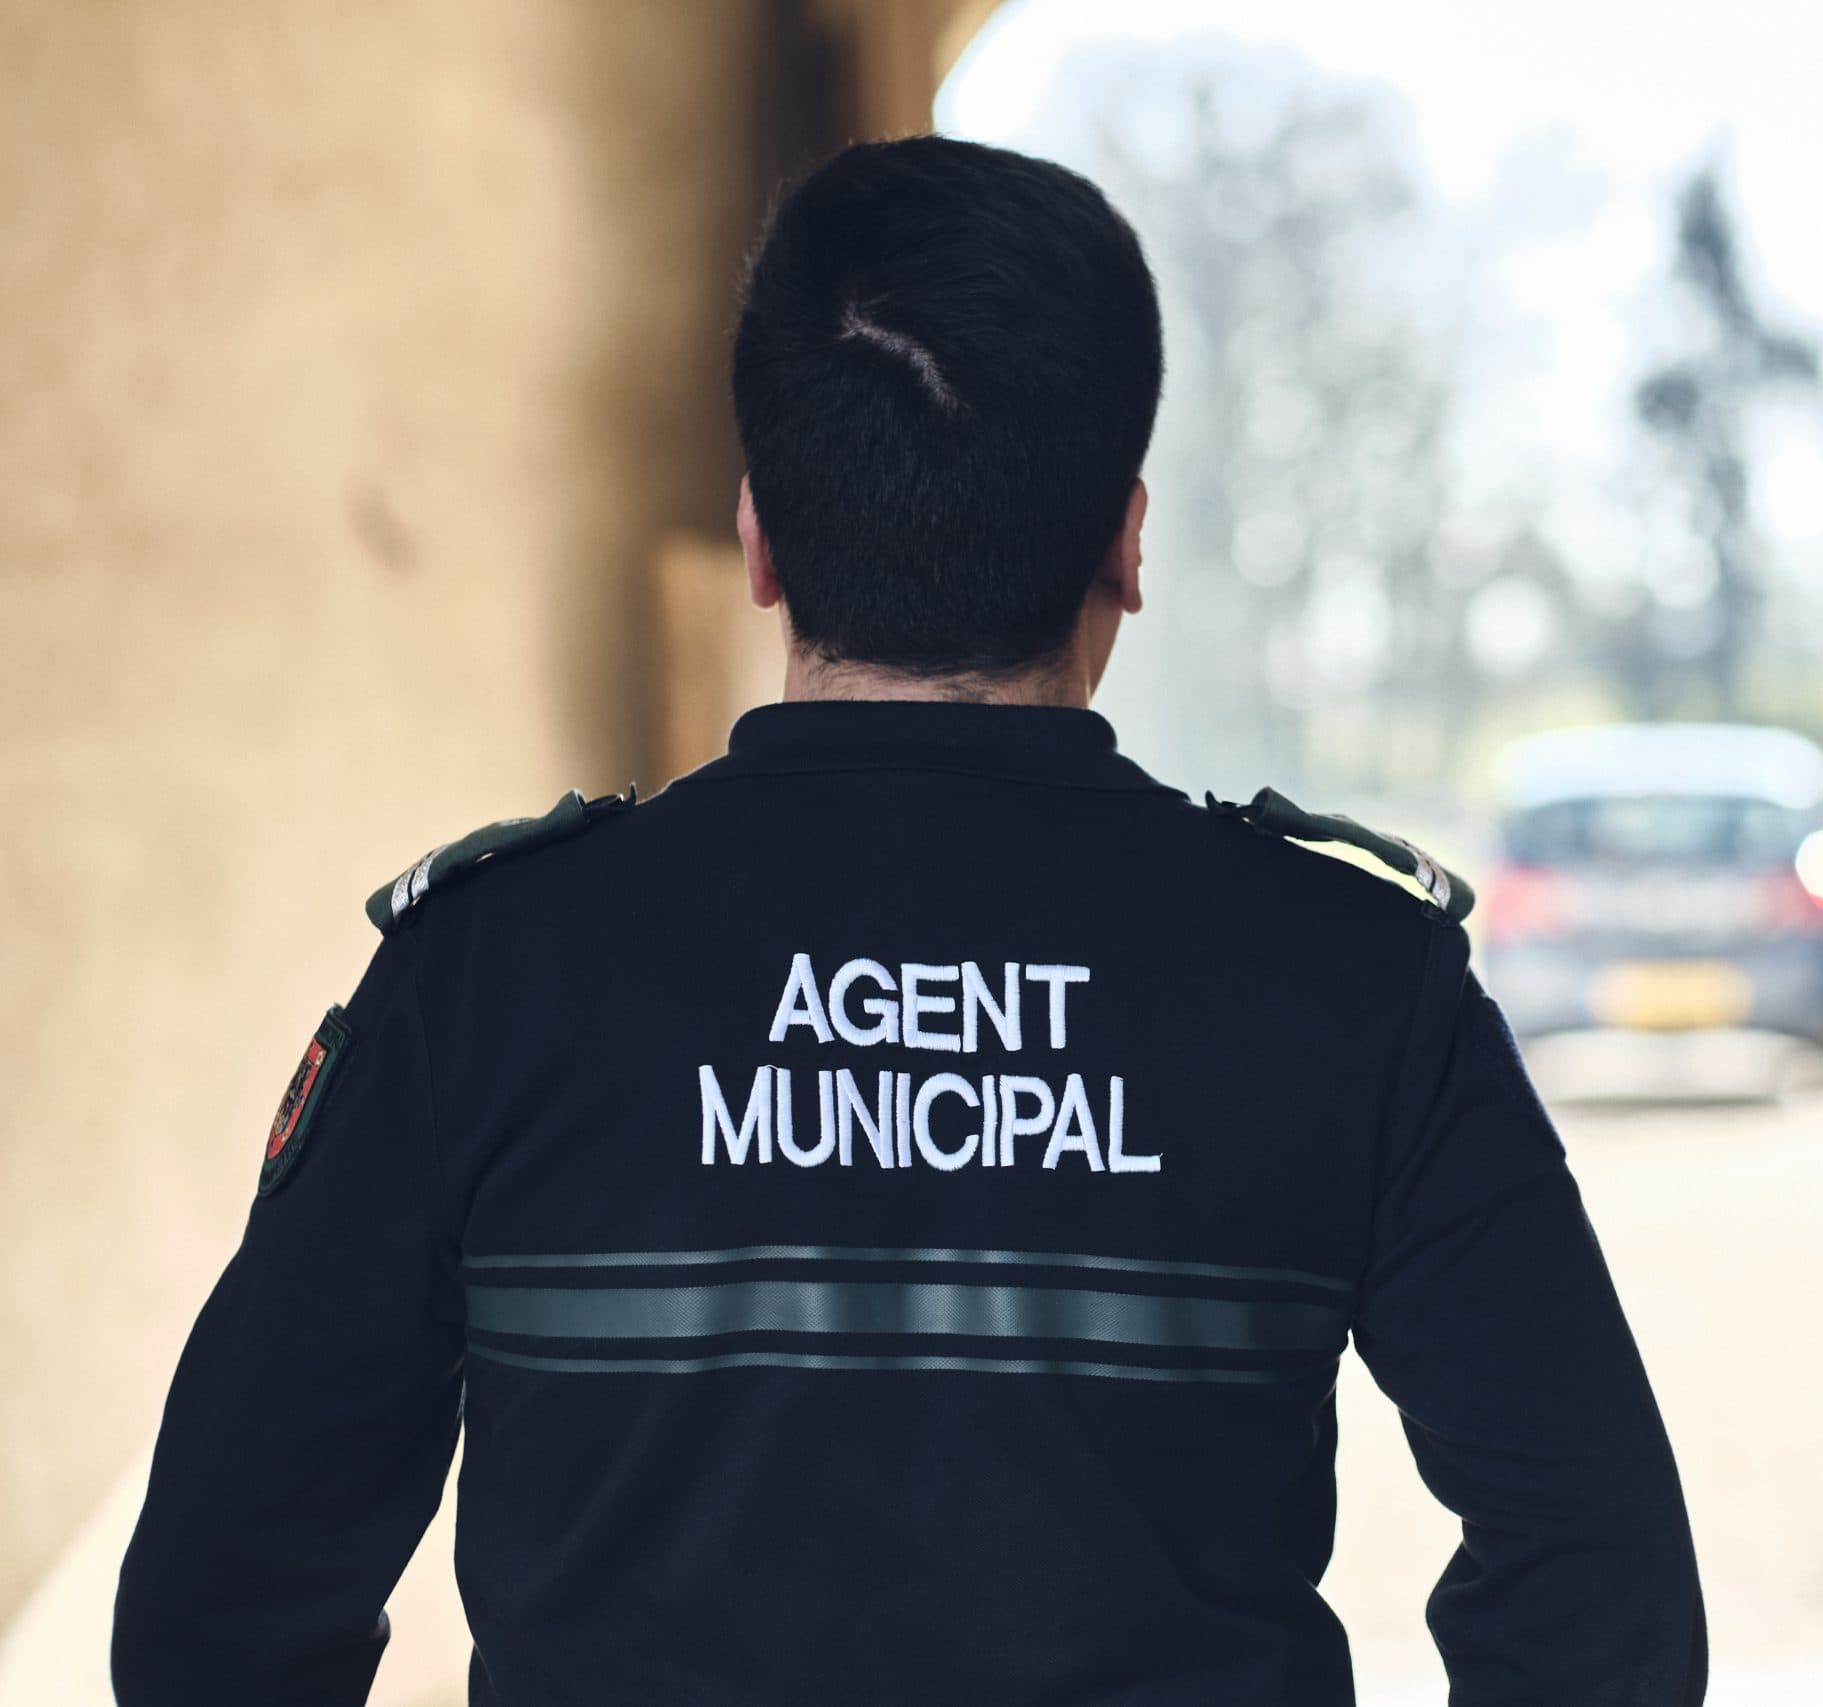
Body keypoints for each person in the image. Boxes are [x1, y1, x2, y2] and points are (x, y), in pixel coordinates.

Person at [112, 135, 1707, 1707]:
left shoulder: (488, 976)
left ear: (760, 540)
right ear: (1127, 542)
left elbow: (215, 1613)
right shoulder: (1353, 983)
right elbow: (1603, 1597)